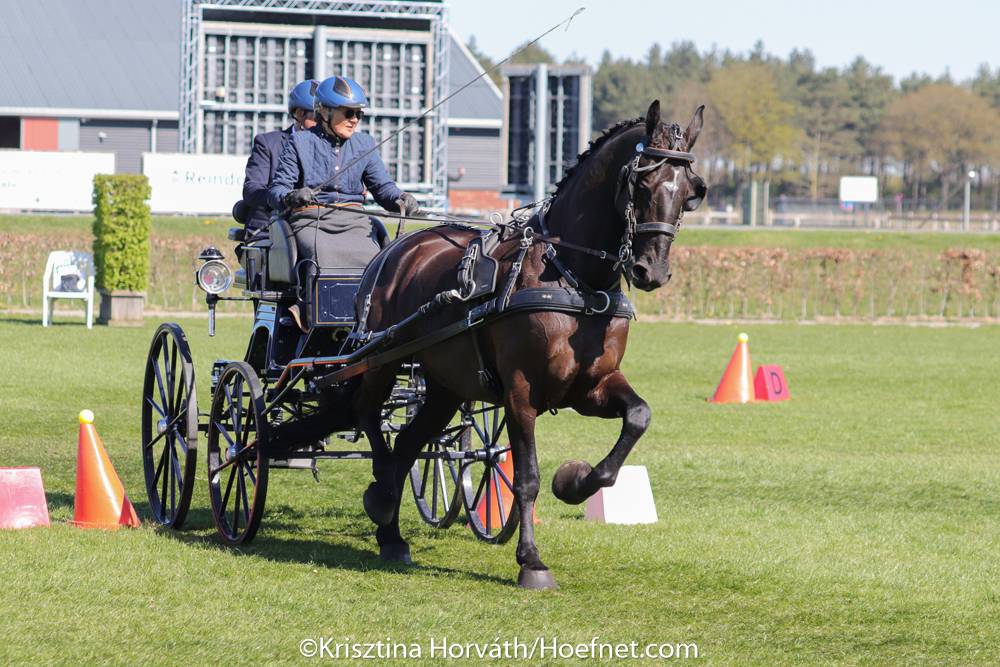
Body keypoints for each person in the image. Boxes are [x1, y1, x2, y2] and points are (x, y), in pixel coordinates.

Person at [267, 75, 421, 278]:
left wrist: (401, 198)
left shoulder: (365, 144)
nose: (354, 119)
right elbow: (277, 189)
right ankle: (311, 298)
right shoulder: (299, 142)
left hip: (356, 223)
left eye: (359, 114)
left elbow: (383, 188)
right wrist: (292, 197)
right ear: (324, 111)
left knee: (374, 260)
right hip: (311, 221)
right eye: (348, 113)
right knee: (322, 255)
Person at [238, 79, 318, 234]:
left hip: (313, 226)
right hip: (270, 226)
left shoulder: (333, 148)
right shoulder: (267, 143)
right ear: (299, 113)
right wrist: (286, 198)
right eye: (317, 118)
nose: (323, 124)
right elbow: (252, 189)